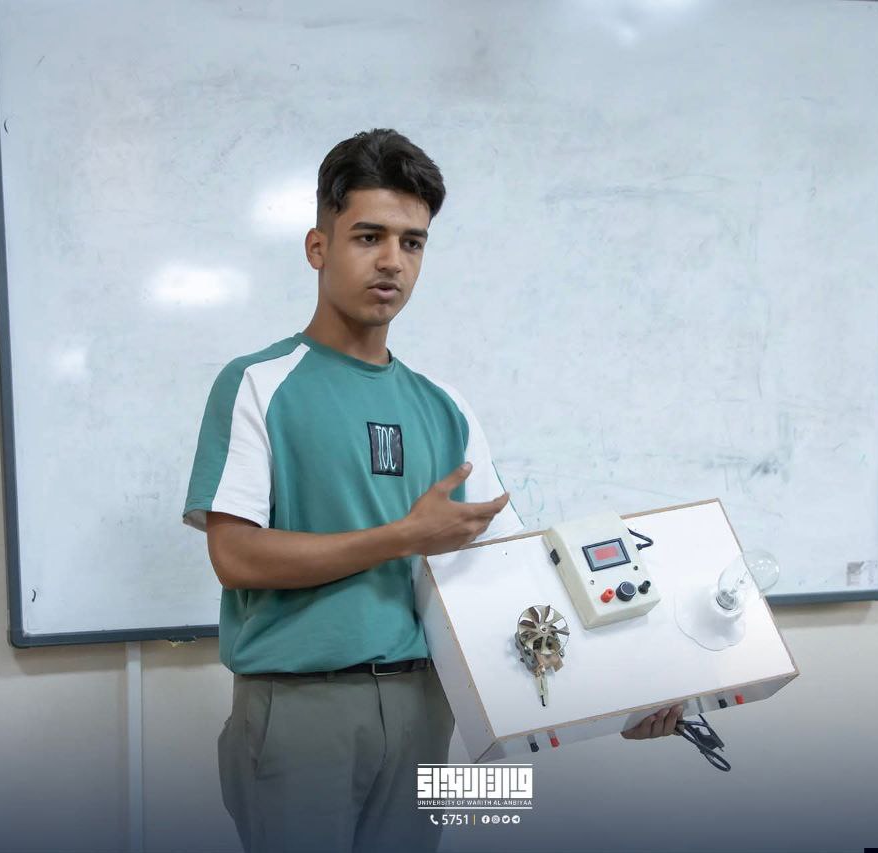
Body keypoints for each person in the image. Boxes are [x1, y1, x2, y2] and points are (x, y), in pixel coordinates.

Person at [183, 129, 681, 853]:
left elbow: (509, 577)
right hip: (300, 710)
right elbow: (236, 557)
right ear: (318, 247)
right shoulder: (258, 383)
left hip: (429, 706)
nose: (392, 260)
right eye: (369, 236)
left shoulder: (447, 407)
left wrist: (622, 702)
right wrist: (402, 537)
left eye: (412, 243)